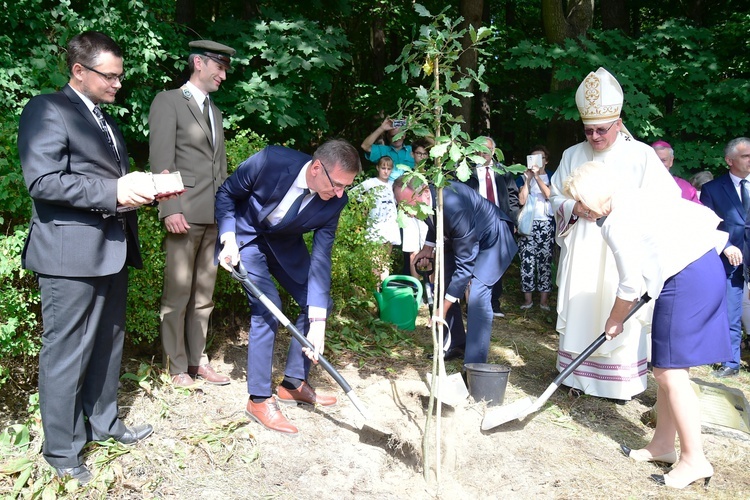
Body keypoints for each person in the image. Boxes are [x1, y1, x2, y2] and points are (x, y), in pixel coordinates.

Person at [18, 31, 156, 484]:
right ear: (79, 71)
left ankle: (104, 421)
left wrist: (143, 190)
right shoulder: (48, 109)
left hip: (111, 250)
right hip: (68, 256)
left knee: (107, 344)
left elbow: (106, 183)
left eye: (120, 75)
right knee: (67, 353)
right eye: (110, 76)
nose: (118, 84)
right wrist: (115, 190)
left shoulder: (106, 122)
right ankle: (61, 450)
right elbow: (43, 181)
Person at [564, 161, 731, 490]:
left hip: (687, 278)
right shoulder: (634, 198)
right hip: (703, 268)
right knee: (670, 368)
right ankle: (663, 445)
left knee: (669, 373)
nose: (580, 208)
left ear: (594, 195)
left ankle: (694, 458)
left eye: (581, 200)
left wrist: (615, 320)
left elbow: (629, 284)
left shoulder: (617, 220)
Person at [549, 67, 681, 401]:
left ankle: (618, 384)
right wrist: (575, 208)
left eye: (601, 130)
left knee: (618, 297)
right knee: (581, 305)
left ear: (618, 122)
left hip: (624, 247)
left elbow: (668, 200)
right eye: (588, 130)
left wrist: (628, 210)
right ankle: (575, 376)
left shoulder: (641, 156)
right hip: (582, 245)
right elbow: (554, 196)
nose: (594, 137)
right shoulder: (572, 154)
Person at [215, 140, 361, 435]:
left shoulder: (335, 200)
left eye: (347, 187)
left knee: (318, 303)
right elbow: (227, 194)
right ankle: (258, 399)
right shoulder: (271, 161)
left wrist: (318, 323)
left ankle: (293, 383)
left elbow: (321, 258)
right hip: (246, 238)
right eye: (337, 185)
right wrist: (228, 237)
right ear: (317, 168)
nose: (340, 193)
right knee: (268, 307)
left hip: (284, 246)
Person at [148, 40, 236, 388]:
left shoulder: (215, 112)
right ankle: (176, 366)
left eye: (226, 68)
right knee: (178, 293)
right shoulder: (168, 101)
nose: (223, 75)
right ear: (198, 62)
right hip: (183, 213)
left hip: (214, 216)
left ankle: (199, 361)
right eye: (219, 66)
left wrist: (227, 215)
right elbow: (162, 160)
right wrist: (168, 207)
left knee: (204, 296)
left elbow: (222, 169)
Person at [394, 178, 518, 362]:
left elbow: (465, 267)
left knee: (477, 294)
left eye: (407, 204)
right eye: (400, 205)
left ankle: (475, 366)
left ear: (426, 192)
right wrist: (428, 247)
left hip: (492, 239)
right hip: (462, 237)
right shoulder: (427, 200)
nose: (404, 211)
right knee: (444, 281)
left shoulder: (454, 207)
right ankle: (455, 345)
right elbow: (434, 219)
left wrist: (442, 309)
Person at [702, 137, 750, 378]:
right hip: (731, 259)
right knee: (731, 311)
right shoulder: (712, 189)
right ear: (730, 161)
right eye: (746, 156)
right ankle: (731, 362)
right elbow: (707, 225)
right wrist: (727, 245)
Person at [464, 136, 520, 317]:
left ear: (493, 151)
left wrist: (513, 221)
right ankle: (472, 303)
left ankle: (494, 304)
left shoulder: (502, 171)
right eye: (479, 149)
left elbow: (512, 197)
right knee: (473, 261)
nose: (483, 153)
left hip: (499, 222)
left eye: (487, 149)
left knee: (496, 262)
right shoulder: (467, 172)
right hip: (475, 223)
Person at [350, 156, 401, 280]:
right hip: (376, 225)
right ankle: (375, 289)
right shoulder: (371, 183)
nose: (385, 171)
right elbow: (352, 193)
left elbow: (399, 201)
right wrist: (366, 201)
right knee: (375, 260)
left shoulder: (393, 185)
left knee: (385, 260)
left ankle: (384, 289)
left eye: (388, 169)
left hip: (390, 225)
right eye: (383, 168)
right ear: (378, 168)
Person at [517, 146, 554, 310]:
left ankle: (544, 301)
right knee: (526, 261)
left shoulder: (553, 176)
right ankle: (528, 300)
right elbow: (521, 200)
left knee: (545, 262)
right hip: (528, 225)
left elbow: (549, 195)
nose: (536, 162)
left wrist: (538, 177)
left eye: (540, 158)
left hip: (545, 223)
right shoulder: (523, 177)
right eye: (532, 158)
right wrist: (527, 179)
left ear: (546, 161)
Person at [361, 117, 414, 182]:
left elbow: (430, 146)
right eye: (393, 136)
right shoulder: (382, 150)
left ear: (404, 135)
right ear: (388, 137)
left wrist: (416, 126)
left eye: (399, 135)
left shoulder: (413, 150)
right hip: (386, 189)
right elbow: (365, 146)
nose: (396, 138)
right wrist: (382, 128)